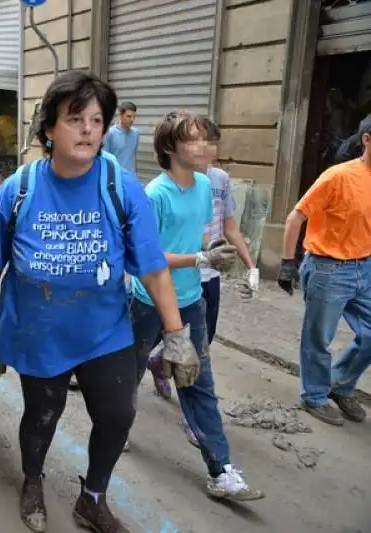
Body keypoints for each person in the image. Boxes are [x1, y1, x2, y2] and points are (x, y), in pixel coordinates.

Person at [0, 71, 192, 533]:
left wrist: (177, 336)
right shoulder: (20, 187)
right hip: (38, 330)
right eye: (75, 119)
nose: (89, 129)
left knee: (117, 414)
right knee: (42, 417)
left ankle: (93, 497)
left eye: (96, 119)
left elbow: (152, 266)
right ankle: (33, 480)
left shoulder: (122, 186)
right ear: (49, 128)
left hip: (104, 331)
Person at [129, 109, 263, 501]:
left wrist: (211, 253)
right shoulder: (154, 195)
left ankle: (220, 470)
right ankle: (112, 429)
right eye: (193, 139)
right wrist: (199, 260)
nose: (205, 145)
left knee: (198, 383)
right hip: (147, 301)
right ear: (171, 147)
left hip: (190, 300)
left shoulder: (205, 185)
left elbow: (193, 240)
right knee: (128, 373)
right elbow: (147, 256)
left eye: (206, 138)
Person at [277, 115, 371, 426]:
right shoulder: (338, 176)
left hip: (365, 268)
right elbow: (295, 218)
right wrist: (287, 263)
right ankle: (314, 395)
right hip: (328, 269)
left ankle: (340, 384)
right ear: (367, 140)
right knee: (319, 338)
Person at [103, 101, 139, 174]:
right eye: (129, 116)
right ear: (120, 115)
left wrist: (135, 177)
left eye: (134, 117)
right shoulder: (110, 133)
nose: (132, 120)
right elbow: (105, 160)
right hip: (116, 178)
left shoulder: (136, 133)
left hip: (131, 178)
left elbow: (133, 157)